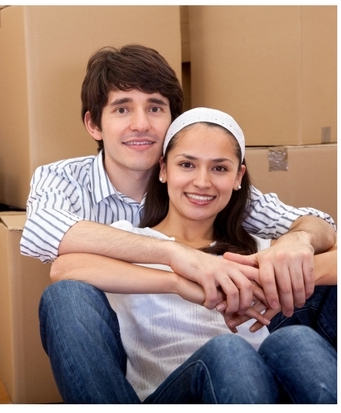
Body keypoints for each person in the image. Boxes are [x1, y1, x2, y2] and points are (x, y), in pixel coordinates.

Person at [19, 44, 337, 403]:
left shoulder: (217, 195)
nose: (140, 124)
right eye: (122, 109)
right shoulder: (63, 179)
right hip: (134, 354)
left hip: (236, 351)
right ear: (94, 124)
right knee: (67, 298)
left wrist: (296, 244)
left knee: (292, 338)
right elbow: (45, 237)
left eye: (155, 108)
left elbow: (318, 226)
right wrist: (176, 259)